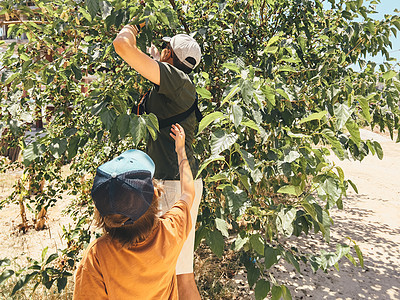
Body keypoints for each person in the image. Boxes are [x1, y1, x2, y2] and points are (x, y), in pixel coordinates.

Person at [113, 20, 203, 299]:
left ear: (170, 56)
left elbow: (122, 47)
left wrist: (131, 26)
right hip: (180, 183)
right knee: (181, 275)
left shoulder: (175, 81)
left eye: (165, 47)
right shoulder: (177, 85)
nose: (161, 50)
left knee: (171, 277)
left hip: (173, 186)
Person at [73, 124, 195, 299]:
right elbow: (188, 192)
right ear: (155, 195)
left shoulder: (97, 255)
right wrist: (181, 151)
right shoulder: (170, 232)